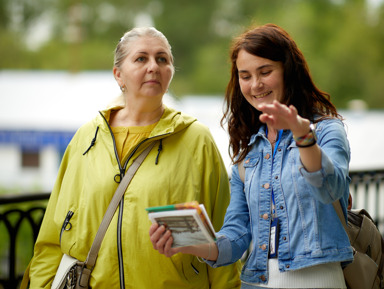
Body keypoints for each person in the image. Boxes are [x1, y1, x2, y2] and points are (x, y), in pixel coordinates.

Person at [25, 27, 241, 289]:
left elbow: (222, 231)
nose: (154, 66)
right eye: (141, 58)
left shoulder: (197, 139)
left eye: (162, 59)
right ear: (119, 74)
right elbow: (52, 235)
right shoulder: (86, 138)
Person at [149, 23, 354, 289]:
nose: (255, 85)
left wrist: (303, 136)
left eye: (265, 72)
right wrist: (188, 243)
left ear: (288, 71)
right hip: (255, 283)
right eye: (245, 76)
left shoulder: (326, 130)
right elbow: (237, 236)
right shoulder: (248, 151)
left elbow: (331, 189)